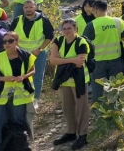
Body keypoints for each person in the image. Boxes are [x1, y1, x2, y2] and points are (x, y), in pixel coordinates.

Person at [50, 18, 89, 149]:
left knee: (81, 107)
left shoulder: (81, 42)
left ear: (75, 28)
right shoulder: (58, 40)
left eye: (69, 28)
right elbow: (52, 60)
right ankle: (71, 132)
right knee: (67, 107)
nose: (66, 31)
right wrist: (71, 60)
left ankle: (83, 135)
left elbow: (80, 62)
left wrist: (62, 59)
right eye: (64, 28)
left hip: (78, 79)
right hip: (63, 79)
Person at [0, 31, 36, 151]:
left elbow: (33, 70)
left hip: (19, 95)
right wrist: (3, 78)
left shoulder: (26, 55)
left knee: (17, 123)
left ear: (17, 41)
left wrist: (23, 77)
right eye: (4, 42)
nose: (7, 44)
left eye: (10, 41)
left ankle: (17, 147)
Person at [11, 0, 54, 106]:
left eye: (31, 7)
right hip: (21, 53)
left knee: (37, 76)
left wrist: (39, 49)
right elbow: (10, 35)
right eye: (26, 7)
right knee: (21, 75)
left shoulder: (43, 20)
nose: (28, 9)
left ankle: (35, 99)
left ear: (35, 7)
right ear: (23, 9)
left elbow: (50, 37)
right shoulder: (17, 20)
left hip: (38, 53)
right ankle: (23, 98)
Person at [83, 0, 124, 103]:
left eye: (93, 10)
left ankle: (99, 114)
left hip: (98, 62)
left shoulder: (91, 25)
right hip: (116, 60)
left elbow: (84, 43)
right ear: (106, 9)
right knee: (116, 88)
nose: (93, 12)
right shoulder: (117, 21)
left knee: (98, 90)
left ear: (97, 10)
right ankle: (117, 111)